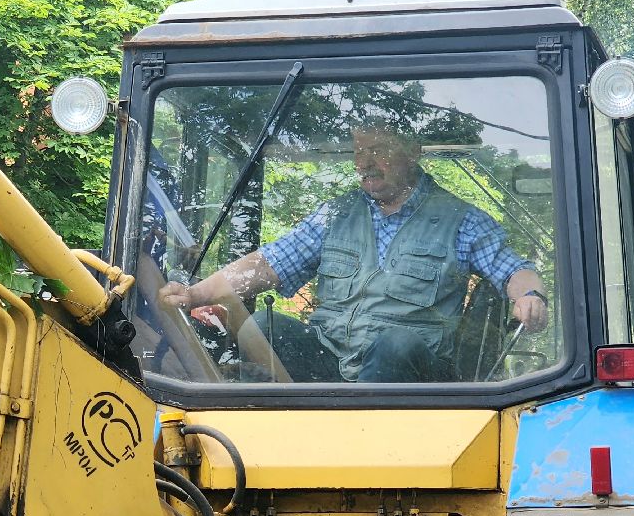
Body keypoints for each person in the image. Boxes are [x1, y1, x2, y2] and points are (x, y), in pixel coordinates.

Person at [159, 125, 549, 382]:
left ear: (412, 152)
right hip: (332, 363)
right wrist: (193, 295)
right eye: (358, 152)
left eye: (377, 150)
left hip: (415, 382)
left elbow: (514, 270)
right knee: (261, 325)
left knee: (394, 344)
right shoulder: (336, 215)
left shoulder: (460, 220)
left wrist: (529, 297)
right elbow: (265, 265)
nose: (363, 162)